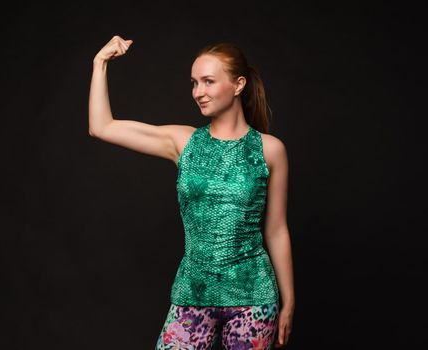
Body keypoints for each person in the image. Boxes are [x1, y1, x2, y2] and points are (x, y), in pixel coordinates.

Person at [88, 35, 295, 350]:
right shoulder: (183, 142)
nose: (198, 92)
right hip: (192, 293)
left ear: (238, 85)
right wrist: (99, 63)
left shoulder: (270, 150)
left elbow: (277, 229)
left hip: (253, 297)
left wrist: (289, 301)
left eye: (208, 81)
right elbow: (101, 127)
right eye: (194, 83)